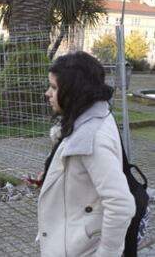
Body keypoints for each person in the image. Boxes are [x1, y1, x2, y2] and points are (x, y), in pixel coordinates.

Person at [37, 51, 136, 256]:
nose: (48, 93)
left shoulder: (92, 137)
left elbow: (121, 204)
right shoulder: (91, 116)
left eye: (54, 87)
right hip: (71, 240)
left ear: (73, 92)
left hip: (78, 249)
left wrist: (107, 253)